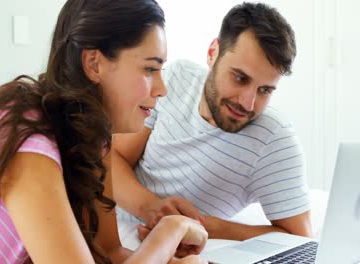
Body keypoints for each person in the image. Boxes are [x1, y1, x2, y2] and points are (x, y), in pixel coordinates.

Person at [0, 0, 207, 263]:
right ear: (93, 63)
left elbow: (107, 252)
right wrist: (170, 231)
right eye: (149, 69)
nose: (162, 89)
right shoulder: (25, 137)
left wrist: (169, 255)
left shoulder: (91, 136)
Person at [113, 2, 312, 246]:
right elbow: (115, 158)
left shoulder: (273, 139)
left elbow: (300, 240)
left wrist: (209, 227)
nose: (248, 104)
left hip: (166, 248)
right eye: (240, 78)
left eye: (264, 90)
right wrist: (151, 209)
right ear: (212, 53)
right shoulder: (175, 78)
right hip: (107, 222)